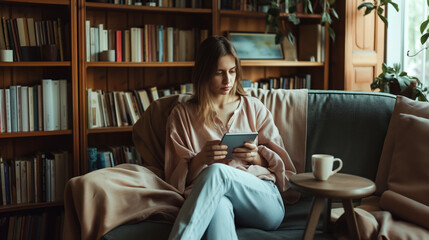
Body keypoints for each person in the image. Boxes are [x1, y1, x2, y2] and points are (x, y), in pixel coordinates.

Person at [164, 35, 297, 240]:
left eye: (232, 71)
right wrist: (200, 159)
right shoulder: (181, 115)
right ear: (204, 73)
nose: (228, 80)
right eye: (219, 73)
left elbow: (286, 171)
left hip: (264, 201)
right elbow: (173, 183)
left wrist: (257, 157)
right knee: (217, 202)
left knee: (218, 171)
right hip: (212, 198)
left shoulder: (254, 107)